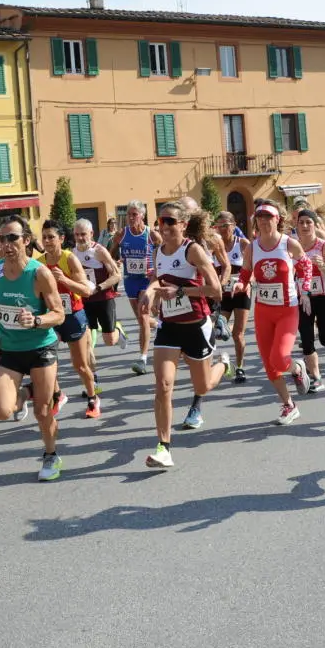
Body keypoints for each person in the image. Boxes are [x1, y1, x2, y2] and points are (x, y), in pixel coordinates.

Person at [140, 200, 229, 466]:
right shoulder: (158, 251)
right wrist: (150, 291)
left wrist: (180, 292)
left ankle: (224, 365)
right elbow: (159, 278)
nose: (164, 227)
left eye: (169, 221)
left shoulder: (194, 251)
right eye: (160, 221)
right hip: (169, 326)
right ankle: (164, 447)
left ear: (183, 224)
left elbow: (216, 290)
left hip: (195, 326)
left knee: (202, 386)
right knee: (163, 385)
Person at [0, 215, 68, 480]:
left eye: (13, 238)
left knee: (43, 411)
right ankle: (28, 391)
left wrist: (37, 320)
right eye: (2, 239)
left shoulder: (39, 273)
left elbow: (59, 313)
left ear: (26, 241)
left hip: (40, 348)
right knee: (0, 411)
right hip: (10, 352)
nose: (7, 244)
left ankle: (51, 455)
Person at [235, 198, 311, 425]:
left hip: (287, 309)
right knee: (269, 364)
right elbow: (246, 272)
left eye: (269, 216)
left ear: (277, 219)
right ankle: (289, 405)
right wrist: (241, 284)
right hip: (263, 311)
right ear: (255, 221)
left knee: (279, 359)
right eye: (260, 217)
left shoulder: (288, 243)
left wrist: (305, 291)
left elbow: (306, 265)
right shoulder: (252, 247)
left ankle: (297, 367)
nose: (264, 221)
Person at [37, 220, 100, 416]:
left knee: (80, 365)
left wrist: (64, 279)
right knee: (44, 362)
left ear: (61, 239)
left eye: (51, 237)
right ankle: (58, 395)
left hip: (73, 315)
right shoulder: (39, 262)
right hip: (52, 317)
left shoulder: (69, 258)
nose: (47, 241)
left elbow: (86, 290)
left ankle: (93, 398)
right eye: (44, 237)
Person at [294, 208, 325, 391]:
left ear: (315, 225)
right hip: (303, 297)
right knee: (306, 338)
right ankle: (316, 377)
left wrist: (322, 266)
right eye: (302, 222)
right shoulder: (293, 246)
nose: (305, 226)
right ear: (297, 225)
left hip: (324, 296)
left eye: (309, 222)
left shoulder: (324, 246)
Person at [113, 199, 162, 376]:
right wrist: (115, 263)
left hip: (146, 281)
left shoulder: (152, 235)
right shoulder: (121, 234)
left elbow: (165, 252)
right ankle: (159, 324)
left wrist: (158, 273)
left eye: (134, 214)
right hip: (130, 281)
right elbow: (110, 253)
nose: (131, 217)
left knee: (142, 317)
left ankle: (142, 358)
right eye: (129, 214)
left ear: (142, 215)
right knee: (143, 320)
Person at [72, 218, 126, 357]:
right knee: (86, 338)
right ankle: (91, 374)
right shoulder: (72, 253)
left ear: (91, 233)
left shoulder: (99, 251)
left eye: (83, 234)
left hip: (103, 298)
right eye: (77, 234)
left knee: (110, 340)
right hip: (84, 301)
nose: (80, 238)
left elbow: (116, 275)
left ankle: (118, 330)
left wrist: (98, 288)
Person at [210, 211, 251, 388]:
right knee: (216, 332)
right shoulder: (215, 246)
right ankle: (217, 363)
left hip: (241, 293)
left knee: (238, 334)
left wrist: (248, 282)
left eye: (225, 225)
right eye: (219, 226)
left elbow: (253, 268)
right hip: (223, 295)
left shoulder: (243, 244)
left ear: (234, 226)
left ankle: (240, 367)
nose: (222, 229)